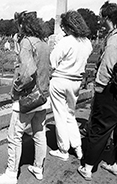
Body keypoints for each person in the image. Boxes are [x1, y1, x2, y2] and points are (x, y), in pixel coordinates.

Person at [0, 12, 51, 184]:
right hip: (42, 97)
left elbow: (27, 72)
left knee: (14, 135)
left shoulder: (26, 43)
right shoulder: (43, 44)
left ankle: (11, 174)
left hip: (28, 98)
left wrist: (16, 89)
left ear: (23, 26)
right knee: (39, 133)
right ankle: (38, 167)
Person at [78, 1, 117, 181]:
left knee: (99, 127)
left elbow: (108, 64)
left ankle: (88, 167)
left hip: (110, 90)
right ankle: (112, 162)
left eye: (102, 17)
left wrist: (98, 88)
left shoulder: (114, 39)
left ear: (108, 18)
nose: (100, 21)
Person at [48, 11, 92, 161]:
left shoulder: (66, 41)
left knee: (60, 115)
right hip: (76, 81)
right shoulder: (87, 42)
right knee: (70, 114)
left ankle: (63, 149)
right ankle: (78, 147)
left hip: (60, 80)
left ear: (68, 26)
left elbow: (53, 60)